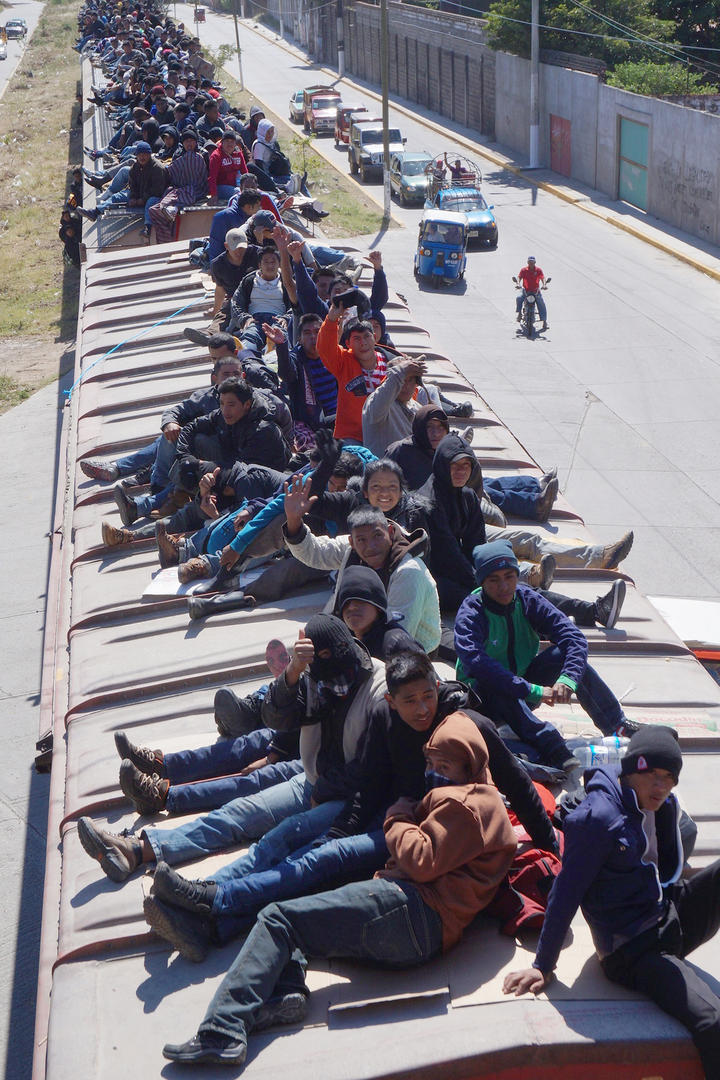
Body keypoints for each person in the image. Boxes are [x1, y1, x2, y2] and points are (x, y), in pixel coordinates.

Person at [155, 712, 518, 1066]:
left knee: (278, 919)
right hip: (418, 922)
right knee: (300, 907)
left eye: (445, 766)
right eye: (432, 764)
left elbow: (420, 860)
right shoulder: (475, 797)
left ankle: (222, 1031)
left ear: (470, 764)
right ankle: (285, 993)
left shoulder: (466, 805)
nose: (435, 773)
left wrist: (398, 817)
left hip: (414, 913)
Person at [77, 616, 386, 885]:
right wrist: (293, 672)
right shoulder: (315, 678)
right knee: (237, 814)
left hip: (350, 799)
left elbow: (370, 769)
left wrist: (321, 788)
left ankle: (204, 892)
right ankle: (136, 850)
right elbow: (277, 719)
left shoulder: (377, 688)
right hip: (314, 781)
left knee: (275, 840)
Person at [503, 726, 720, 1080]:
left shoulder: (651, 799)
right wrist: (543, 965)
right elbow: (566, 892)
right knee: (713, 1021)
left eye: (668, 778)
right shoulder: (599, 820)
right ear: (632, 770)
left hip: (664, 914)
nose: (660, 786)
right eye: (652, 775)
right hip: (634, 950)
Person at [454, 540, 639, 773]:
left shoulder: (526, 599)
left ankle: (615, 725)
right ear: (482, 582)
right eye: (494, 580)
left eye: (509, 576)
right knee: (494, 684)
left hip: (523, 687)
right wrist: (534, 691)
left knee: (563, 656)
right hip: (483, 700)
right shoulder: (472, 613)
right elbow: (479, 665)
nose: (504, 586)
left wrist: (567, 680)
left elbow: (574, 638)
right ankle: (552, 747)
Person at [283, 479, 441, 654]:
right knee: (316, 634)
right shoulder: (350, 548)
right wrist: (293, 519)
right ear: (352, 541)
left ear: (389, 532)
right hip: (358, 636)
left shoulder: (409, 571)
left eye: (377, 536)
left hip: (409, 651)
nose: (371, 546)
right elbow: (314, 552)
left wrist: (348, 655)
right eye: (361, 540)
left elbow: (399, 637)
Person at [317, 305, 388, 442]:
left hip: (385, 434)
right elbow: (325, 348)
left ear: (374, 338)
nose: (363, 343)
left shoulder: (392, 362)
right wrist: (331, 319)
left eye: (367, 336)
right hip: (352, 436)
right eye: (357, 338)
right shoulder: (343, 362)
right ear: (348, 343)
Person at [516, 255, 547, 331]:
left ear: (535, 262)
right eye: (530, 262)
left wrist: (544, 285)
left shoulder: (538, 270)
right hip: (526, 291)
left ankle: (544, 321)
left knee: (541, 304)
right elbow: (519, 277)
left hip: (535, 291)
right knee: (519, 298)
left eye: (532, 262)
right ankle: (519, 314)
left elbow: (542, 278)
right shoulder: (524, 270)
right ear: (527, 262)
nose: (531, 263)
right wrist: (518, 283)